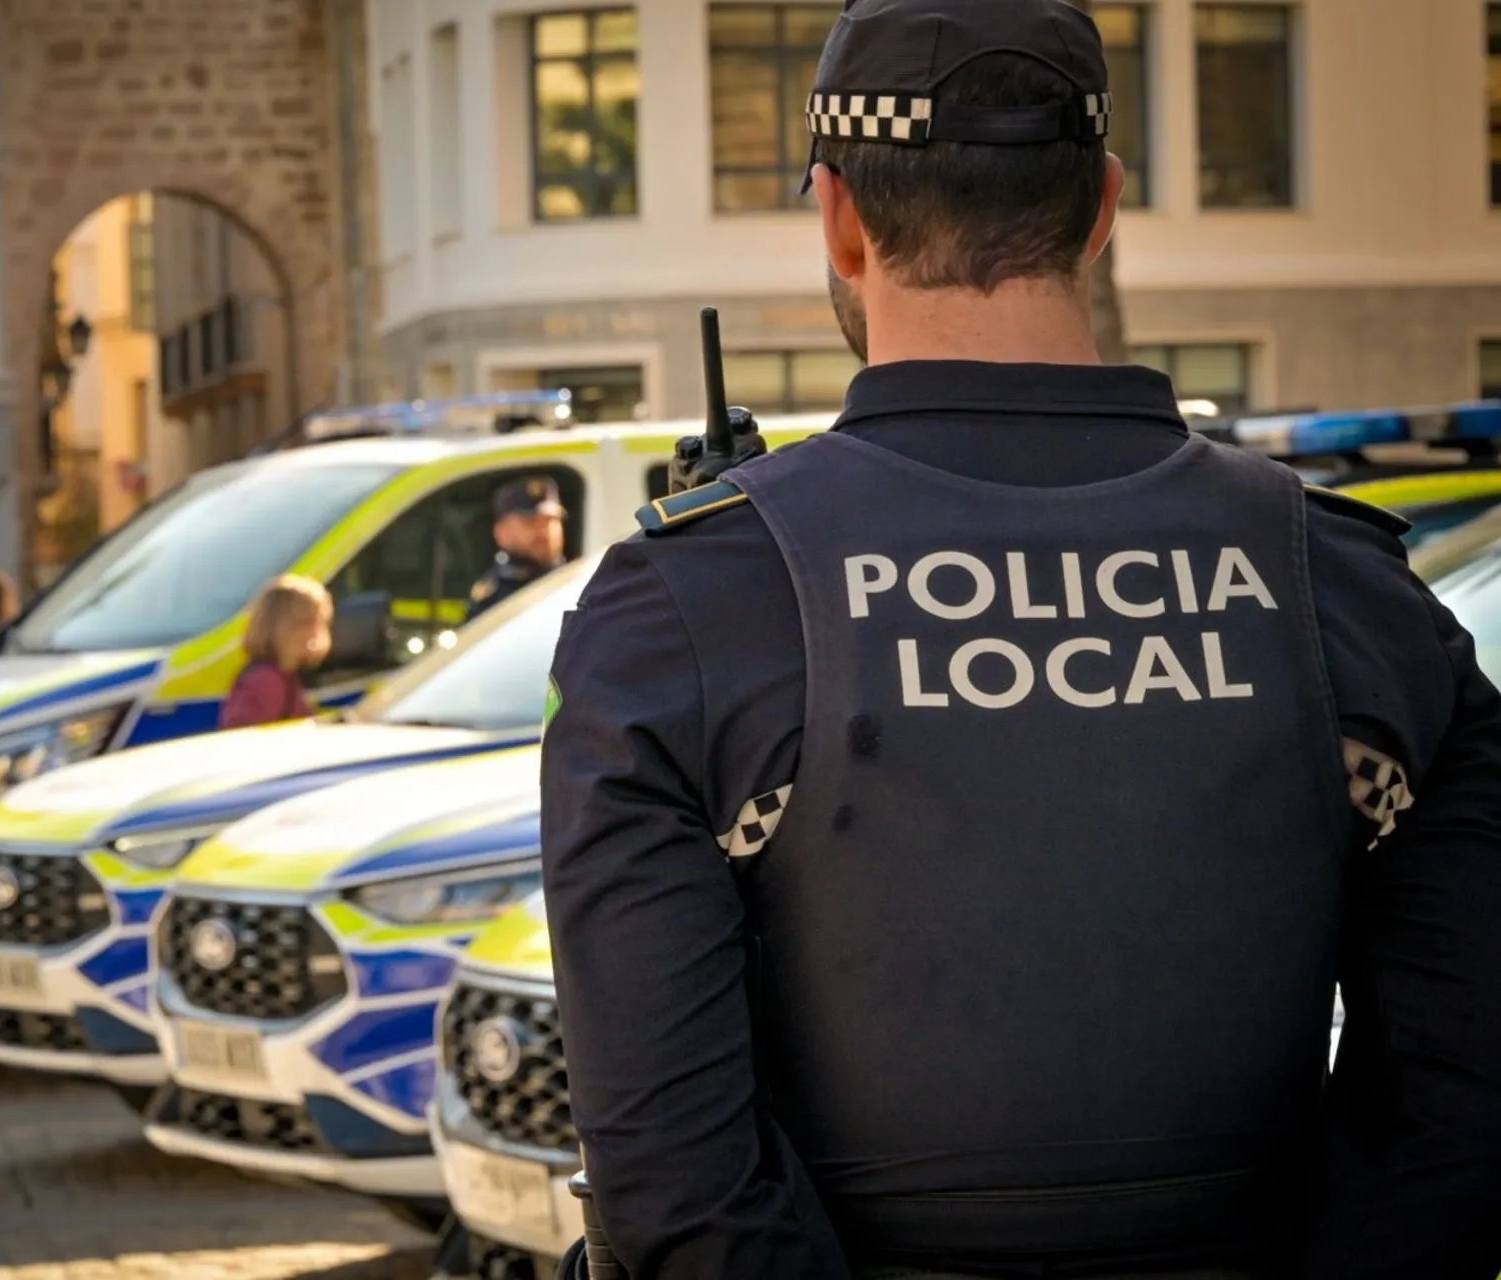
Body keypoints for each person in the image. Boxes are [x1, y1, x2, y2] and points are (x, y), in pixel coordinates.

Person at [540, 2, 1501, 1277]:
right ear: (1102, 205)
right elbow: (1458, 1104)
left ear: (838, 216)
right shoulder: (1348, 582)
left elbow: (672, 1183)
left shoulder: (685, 610)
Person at [222, 575, 333, 730]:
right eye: (304, 622)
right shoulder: (265, 681)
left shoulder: (286, 675)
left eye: (319, 621)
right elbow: (242, 741)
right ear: (277, 626)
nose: (314, 632)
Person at [465, 477, 567, 622]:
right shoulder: (491, 596)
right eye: (531, 521)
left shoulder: (580, 583)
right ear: (501, 532)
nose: (544, 531)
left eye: (551, 520)